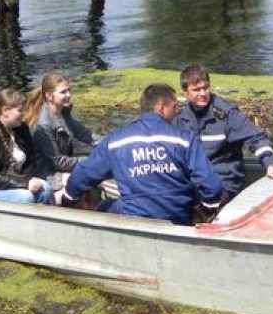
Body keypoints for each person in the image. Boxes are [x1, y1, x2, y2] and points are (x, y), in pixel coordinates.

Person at [56, 83, 223, 225]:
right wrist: (206, 209)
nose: (176, 112)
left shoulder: (115, 142)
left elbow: (84, 174)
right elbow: (211, 184)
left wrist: (67, 198)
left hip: (133, 216)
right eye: (174, 107)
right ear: (161, 107)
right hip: (177, 215)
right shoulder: (185, 139)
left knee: (99, 207)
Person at [173, 64, 273, 206]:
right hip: (193, 182)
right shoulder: (179, 117)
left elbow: (256, 137)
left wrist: (270, 164)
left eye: (206, 88)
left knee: (200, 208)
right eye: (196, 90)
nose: (203, 93)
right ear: (185, 92)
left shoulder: (226, 114)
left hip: (224, 183)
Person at [0, 89, 52, 209]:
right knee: (25, 197)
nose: (24, 113)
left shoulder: (22, 128)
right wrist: (24, 183)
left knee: (46, 189)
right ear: (5, 110)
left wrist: (28, 179)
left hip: (18, 181)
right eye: (20, 110)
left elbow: (31, 161)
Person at [24, 73, 96, 190]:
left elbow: (87, 135)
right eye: (63, 92)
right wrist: (91, 160)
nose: (69, 95)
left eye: (69, 90)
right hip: (46, 174)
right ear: (49, 96)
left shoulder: (64, 113)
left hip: (60, 168)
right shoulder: (43, 125)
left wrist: (111, 145)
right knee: (86, 177)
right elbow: (57, 161)